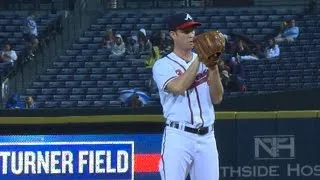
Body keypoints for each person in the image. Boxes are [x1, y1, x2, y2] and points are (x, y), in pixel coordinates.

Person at [152, 12, 224, 180]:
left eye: (193, 30)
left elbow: (217, 98)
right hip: (178, 136)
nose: (191, 35)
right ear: (173, 35)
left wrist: (213, 67)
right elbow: (179, 86)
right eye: (185, 31)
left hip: (207, 137)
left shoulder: (206, 62)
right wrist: (199, 58)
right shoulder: (162, 65)